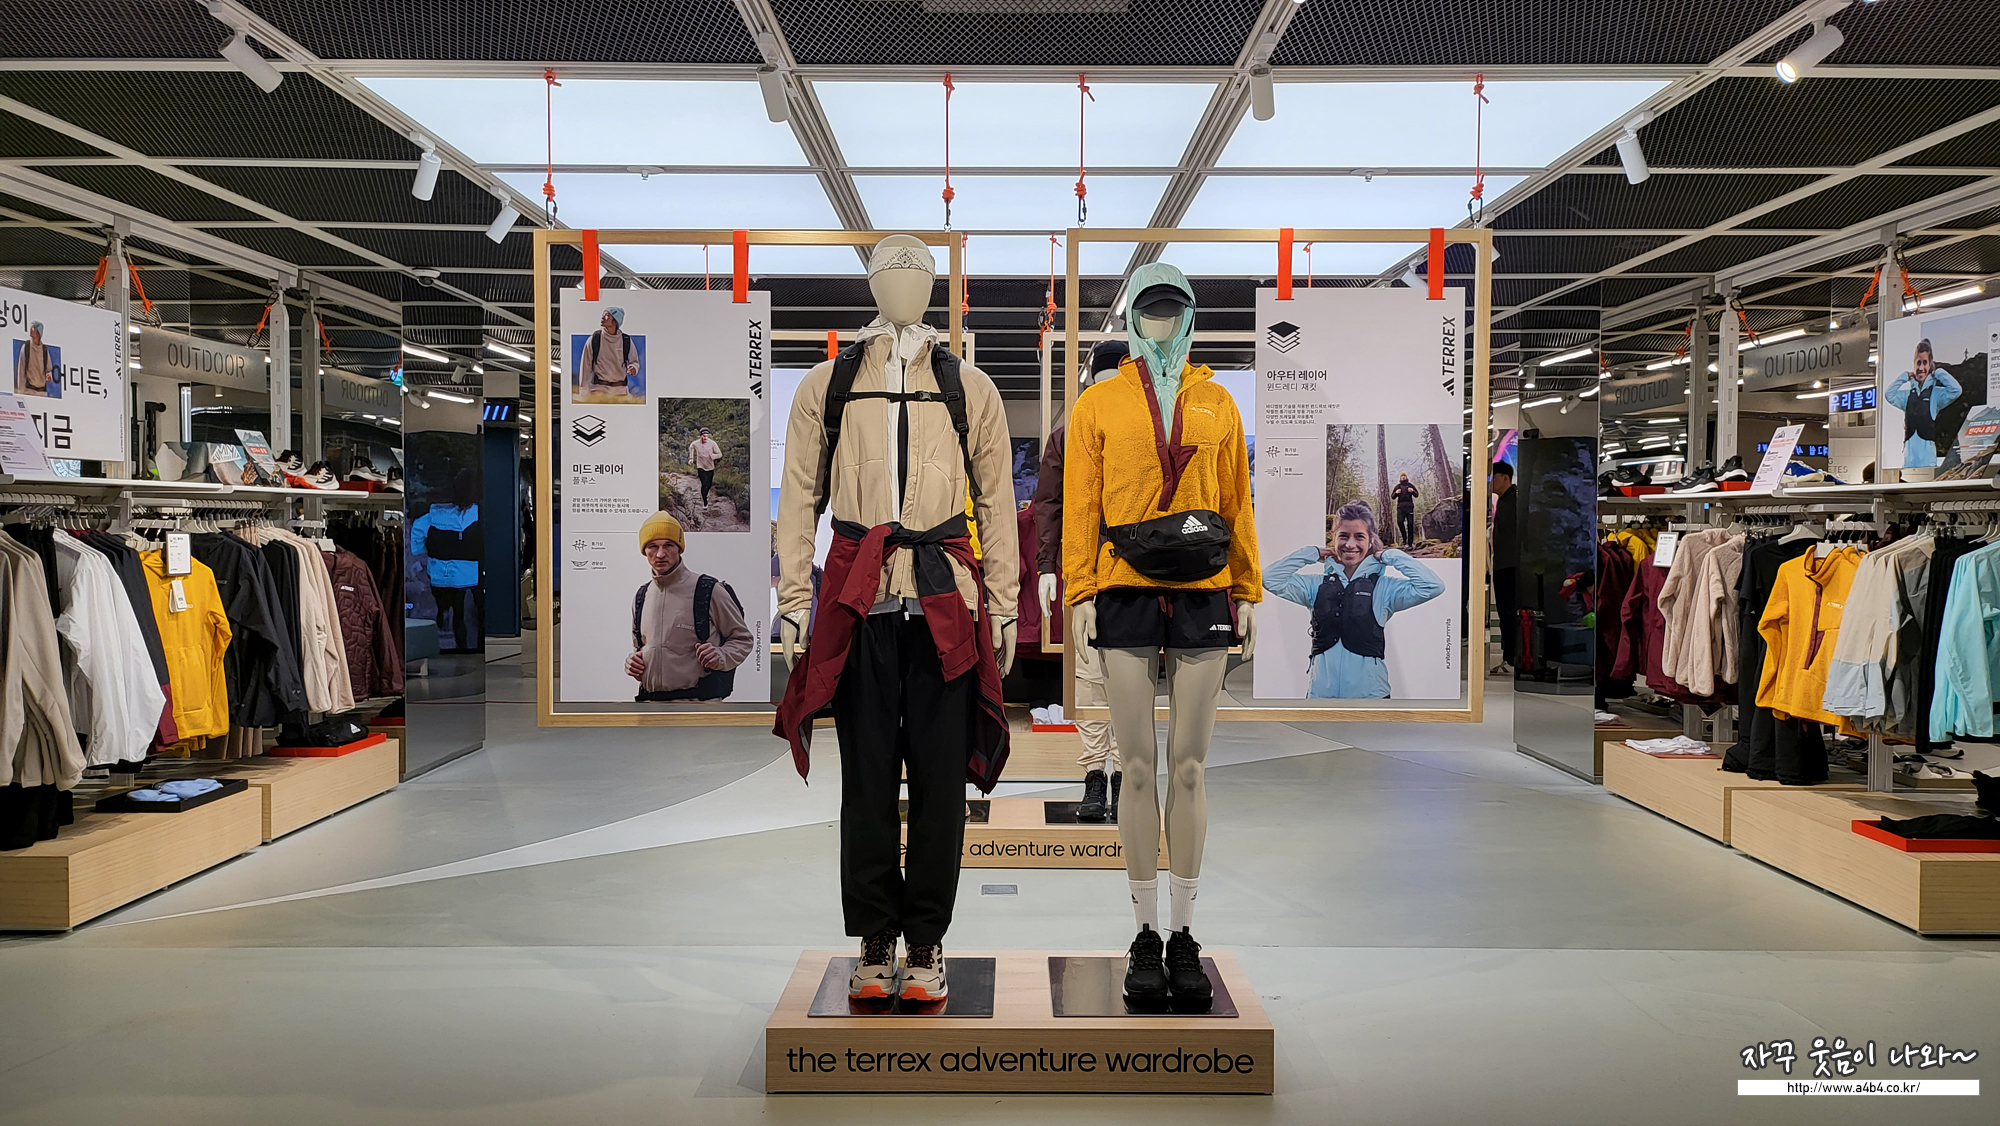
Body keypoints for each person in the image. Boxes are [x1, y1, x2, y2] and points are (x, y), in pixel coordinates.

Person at [1263, 500, 1444, 699]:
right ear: (1334, 537)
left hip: (1371, 698)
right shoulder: (1315, 585)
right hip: (1320, 697)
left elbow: (1432, 586)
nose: (1350, 544)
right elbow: (1269, 579)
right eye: (1343, 536)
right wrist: (1311, 553)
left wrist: (1391, 555)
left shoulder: (1385, 588)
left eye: (1359, 536)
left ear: (1370, 540)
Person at [625, 511, 752, 701]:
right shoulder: (642, 596)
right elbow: (641, 648)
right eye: (653, 546)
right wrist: (634, 662)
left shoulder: (708, 590)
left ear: (679, 548)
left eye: (668, 545)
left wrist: (721, 655)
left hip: (700, 708)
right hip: (650, 706)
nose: (660, 554)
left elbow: (743, 639)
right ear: (644, 551)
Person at [410, 470, 482, 651]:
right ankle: (464, 645)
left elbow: (417, 539)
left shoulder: (431, 516)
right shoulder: (476, 515)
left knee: (446, 600)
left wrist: (426, 552)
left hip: (438, 571)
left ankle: (442, 612)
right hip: (468, 574)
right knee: (462, 612)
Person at [1885, 339, 1962, 469]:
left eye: (1925, 362)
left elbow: (1956, 390)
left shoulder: (1936, 394)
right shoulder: (1907, 396)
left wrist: (1938, 372)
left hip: (1928, 461)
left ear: (1930, 363)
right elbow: (1889, 395)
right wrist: (1904, 377)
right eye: (1918, 363)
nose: (1921, 368)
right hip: (1909, 462)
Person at [1490, 461, 1519, 674]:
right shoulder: (1505, 501)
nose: (1491, 482)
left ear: (1505, 478)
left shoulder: (1513, 501)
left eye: (1494, 477)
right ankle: (1509, 656)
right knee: (1504, 611)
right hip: (1503, 563)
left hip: (1510, 565)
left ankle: (1512, 657)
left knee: (1508, 611)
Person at [581, 307, 639, 398]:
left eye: (607, 315)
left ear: (615, 321)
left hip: (621, 391)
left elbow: (634, 361)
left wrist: (634, 368)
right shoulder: (595, 339)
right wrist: (583, 390)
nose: (602, 317)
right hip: (598, 390)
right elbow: (585, 366)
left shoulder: (626, 340)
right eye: (603, 314)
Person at [14, 321, 53, 397]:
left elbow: (49, 370)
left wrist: (49, 375)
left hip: (42, 392)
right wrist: (20, 392)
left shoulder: (44, 350)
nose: (31, 330)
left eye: (33, 328)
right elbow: (21, 370)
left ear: (38, 332)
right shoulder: (26, 347)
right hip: (29, 391)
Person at [688, 426, 723, 508]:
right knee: (704, 483)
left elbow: (720, 454)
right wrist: (691, 458)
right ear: (700, 436)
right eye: (704, 436)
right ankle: (705, 502)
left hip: (710, 467)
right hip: (700, 466)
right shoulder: (696, 443)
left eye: (707, 436)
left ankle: (705, 494)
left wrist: (714, 456)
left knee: (709, 484)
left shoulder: (712, 443)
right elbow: (691, 447)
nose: (705, 438)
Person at [1391, 471, 1420, 547]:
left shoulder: (1410, 485)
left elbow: (1416, 494)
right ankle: (1404, 539)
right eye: (1402, 476)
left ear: (1406, 477)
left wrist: (1412, 491)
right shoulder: (1398, 486)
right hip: (1400, 507)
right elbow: (1392, 497)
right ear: (1400, 478)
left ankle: (1410, 543)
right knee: (1400, 522)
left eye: (1404, 476)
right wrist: (1396, 493)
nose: (1403, 477)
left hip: (1409, 507)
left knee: (1410, 524)